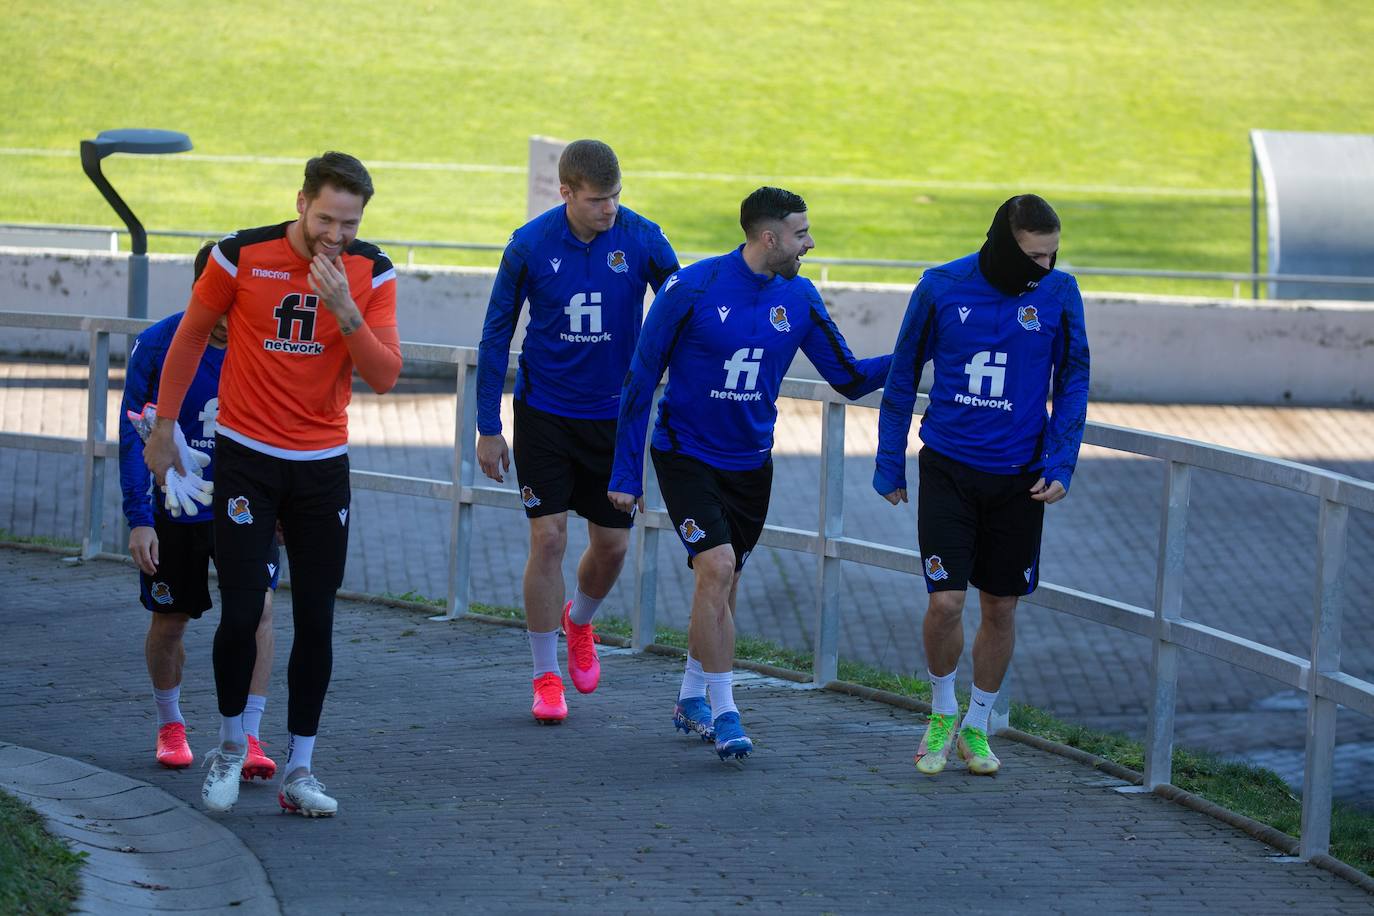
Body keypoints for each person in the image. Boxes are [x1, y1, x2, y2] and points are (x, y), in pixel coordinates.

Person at [143, 152, 402, 816]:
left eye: (348, 223)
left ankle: (301, 769)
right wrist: (164, 426)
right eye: (325, 219)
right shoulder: (239, 256)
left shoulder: (372, 270)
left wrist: (345, 307)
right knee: (241, 610)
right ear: (300, 203)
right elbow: (192, 336)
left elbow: (385, 375)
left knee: (317, 620)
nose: (335, 236)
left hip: (322, 467)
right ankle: (231, 746)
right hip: (247, 459)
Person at [609, 187, 891, 760]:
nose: (809, 243)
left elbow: (849, 377)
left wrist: (917, 350)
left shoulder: (801, 297)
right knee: (716, 567)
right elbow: (640, 382)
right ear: (769, 237)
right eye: (801, 233)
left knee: (723, 584)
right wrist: (626, 473)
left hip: (750, 465)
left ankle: (691, 696)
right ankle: (725, 710)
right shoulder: (692, 287)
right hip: (685, 454)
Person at [873, 194, 1090, 777]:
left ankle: (978, 722)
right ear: (1002, 246)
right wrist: (888, 459)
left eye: (1053, 254)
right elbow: (901, 374)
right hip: (948, 469)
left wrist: (1061, 461)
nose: (1046, 267)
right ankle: (942, 711)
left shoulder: (1060, 294)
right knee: (945, 602)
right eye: (1034, 257)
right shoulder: (941, 286)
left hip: (1020, 480)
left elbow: (1072, 379)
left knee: (1001, 605)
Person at [476, 140, 679, 724]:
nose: (609, 209)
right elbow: (495, 337)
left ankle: (580, 621)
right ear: (565, 192)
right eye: (596, 200)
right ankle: (544, 676)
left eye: (616, 197)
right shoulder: (530, 245)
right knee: (550, 541)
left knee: (612, 546)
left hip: (616, 420)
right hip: (545, 416)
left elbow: (682, 301)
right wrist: (488, 426)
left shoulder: (641, 237)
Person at [120, 242, 280, 781]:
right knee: (170, 620)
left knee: (258, 612)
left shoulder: (265, 341)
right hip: (175, 506)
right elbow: (131, 434)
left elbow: (286, 424)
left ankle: (251, 735)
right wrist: (139, 516)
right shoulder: (160, 343)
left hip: (246, 501)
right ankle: (171, 724)